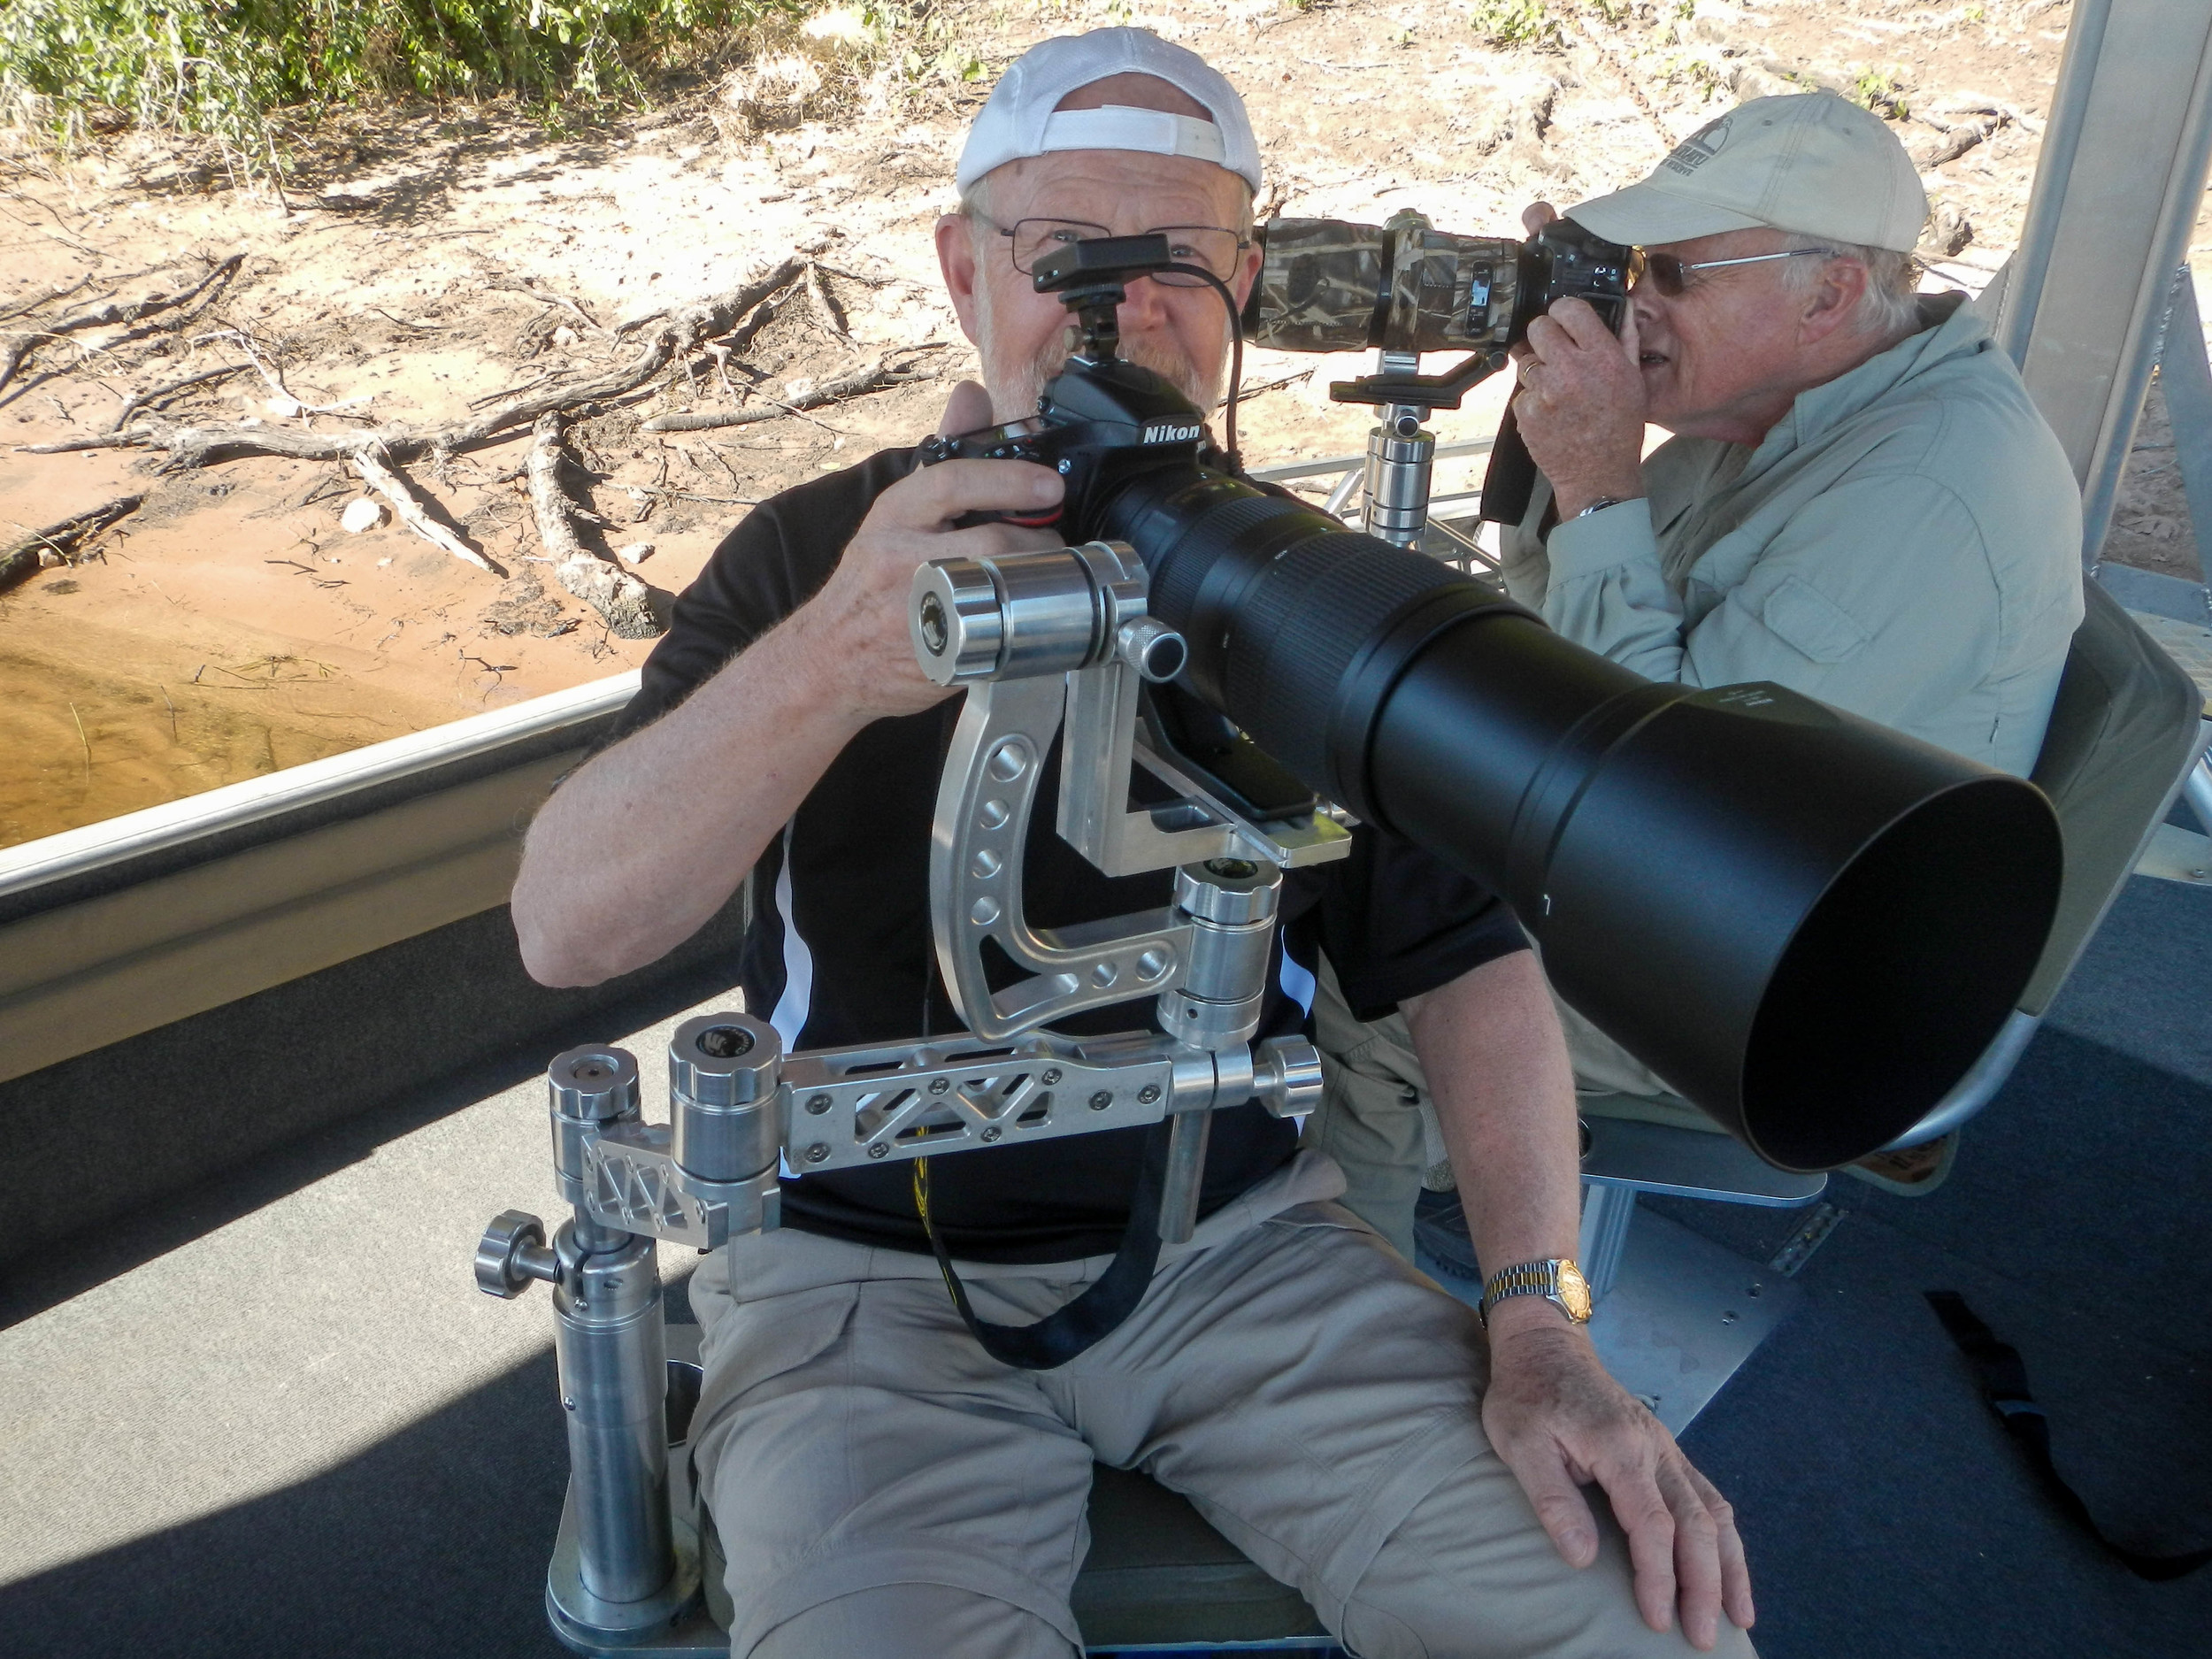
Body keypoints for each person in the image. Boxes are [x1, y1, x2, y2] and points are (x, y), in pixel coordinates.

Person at [511, 28, 1756, 1659]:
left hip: (1237, 1246)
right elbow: (568, 931)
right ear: (962, 271)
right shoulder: (819, 553)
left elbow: (1470, 967)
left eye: (1178, 257)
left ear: (1250, 275)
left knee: (1643, 1626)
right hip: (853, 1274)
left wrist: (1542, 1321)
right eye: (1064, 256)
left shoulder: (1328, 597)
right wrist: (833, 660)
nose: (1124, 306)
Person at [1304, 92, 2085, 1245]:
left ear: (1824, 295)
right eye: (1629, 269)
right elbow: (1556, 636)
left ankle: (1342, 1319)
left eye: (1675, 274)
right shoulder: (1776, 412)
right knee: (1301, 845)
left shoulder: (1924, 489)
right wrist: (1559, 446)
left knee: (1368, 964)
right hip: (1712, 887)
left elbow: (1657, 806)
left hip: (1756, 981)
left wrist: (1603, 479)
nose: (1637, 304)